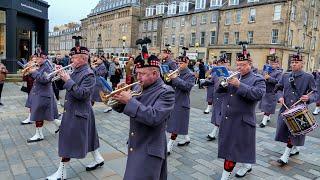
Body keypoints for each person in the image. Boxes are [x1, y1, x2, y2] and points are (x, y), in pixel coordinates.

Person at [112, 54, 175, 180]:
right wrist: (118, 99)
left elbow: (154, 117)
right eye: (137, 73)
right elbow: (126, 108)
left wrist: (129, 101)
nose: (138, 77)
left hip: (150, 149)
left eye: (142, 73)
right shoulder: (138, 86)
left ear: (155, 74)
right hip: (136, 144)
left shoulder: (166, 91)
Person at [46, 46, 104, 180]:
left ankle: (61, 172)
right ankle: (98, 158)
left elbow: (82, 94)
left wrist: (68, 80)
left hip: (79, 112)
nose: (71, 60)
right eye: (72, 57)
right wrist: (60, 76)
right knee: (89, 135)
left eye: (74, 58)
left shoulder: (89, 74)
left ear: (84, 59)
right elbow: (64, 88)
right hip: (76, 111)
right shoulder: (76, 70)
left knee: (67, 140)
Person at [217, 52, 266, 179]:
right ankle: (246, 165)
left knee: (231, 152)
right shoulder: (234, 76)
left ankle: (224, 177)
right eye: (238, 65)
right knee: (237, 147)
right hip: (228, 119)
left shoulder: (257, 79)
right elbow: (220, 91)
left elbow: (258, 94)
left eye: (243, 65)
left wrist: (239, 84)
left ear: (250, 65)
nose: (239, 68)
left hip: (242, 121)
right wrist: (222, 83)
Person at [274, 53, 318, 165]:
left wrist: (308, 98)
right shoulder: (285, 76)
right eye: (292, 62)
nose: (293, 64)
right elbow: (278, 88)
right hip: (285, 109)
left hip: (299, 111)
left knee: (293, 132)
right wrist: (280, 97)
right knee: (288, 132)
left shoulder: (309, 77)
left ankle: (285, 155)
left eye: (296, 62)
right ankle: (295, 148)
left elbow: (316, 93)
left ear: (302, 64)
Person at [25, 52, 59, 143]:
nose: (36, 60)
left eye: (39, 58)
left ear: (44, 58)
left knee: (38, 114)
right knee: (44, 113)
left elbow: (45, 79)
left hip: (43, 94)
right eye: (36, 58)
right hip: (38, 93)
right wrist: (30, 72)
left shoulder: (48, 67)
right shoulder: (40, 66)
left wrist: (34, 72)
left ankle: (39, 135)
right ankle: (60, 124)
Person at [166, 55, 195, 155]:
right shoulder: (177, 73)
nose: (179, 65)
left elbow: (187, 87)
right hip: (174, 100)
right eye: (178, 63)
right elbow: (169, 85)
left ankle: (169, 144)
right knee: (179, 123)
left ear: (187, 63)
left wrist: (175, 79)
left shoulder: (190, 75)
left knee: (176, 124)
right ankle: (187, 138)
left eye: (181, 63)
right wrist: (169, 79)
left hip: (182, 102)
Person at [206, 55, 230, 141]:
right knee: (217, 114)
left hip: (225, 98)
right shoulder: (215, 73)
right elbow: (210, 81)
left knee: (222, 115)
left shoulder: (230, 74)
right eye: (220, 63)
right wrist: (204, 82)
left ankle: (214, 132)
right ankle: (216, 132)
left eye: (224, 63)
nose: (222, 65)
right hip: (216, 97)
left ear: (228, 64)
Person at [259, 57, 282, 127]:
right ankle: (268, 117)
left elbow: (278, 82)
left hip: (273, 91)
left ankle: (264, 122)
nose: (272, 65)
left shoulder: (279, 72)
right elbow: (261, 77)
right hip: (265, 90)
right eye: (271, 63)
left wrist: (269, 78)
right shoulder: (266, 70)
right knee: (264, 106)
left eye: (274, 63)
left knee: (268, 107)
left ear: (277, 64)